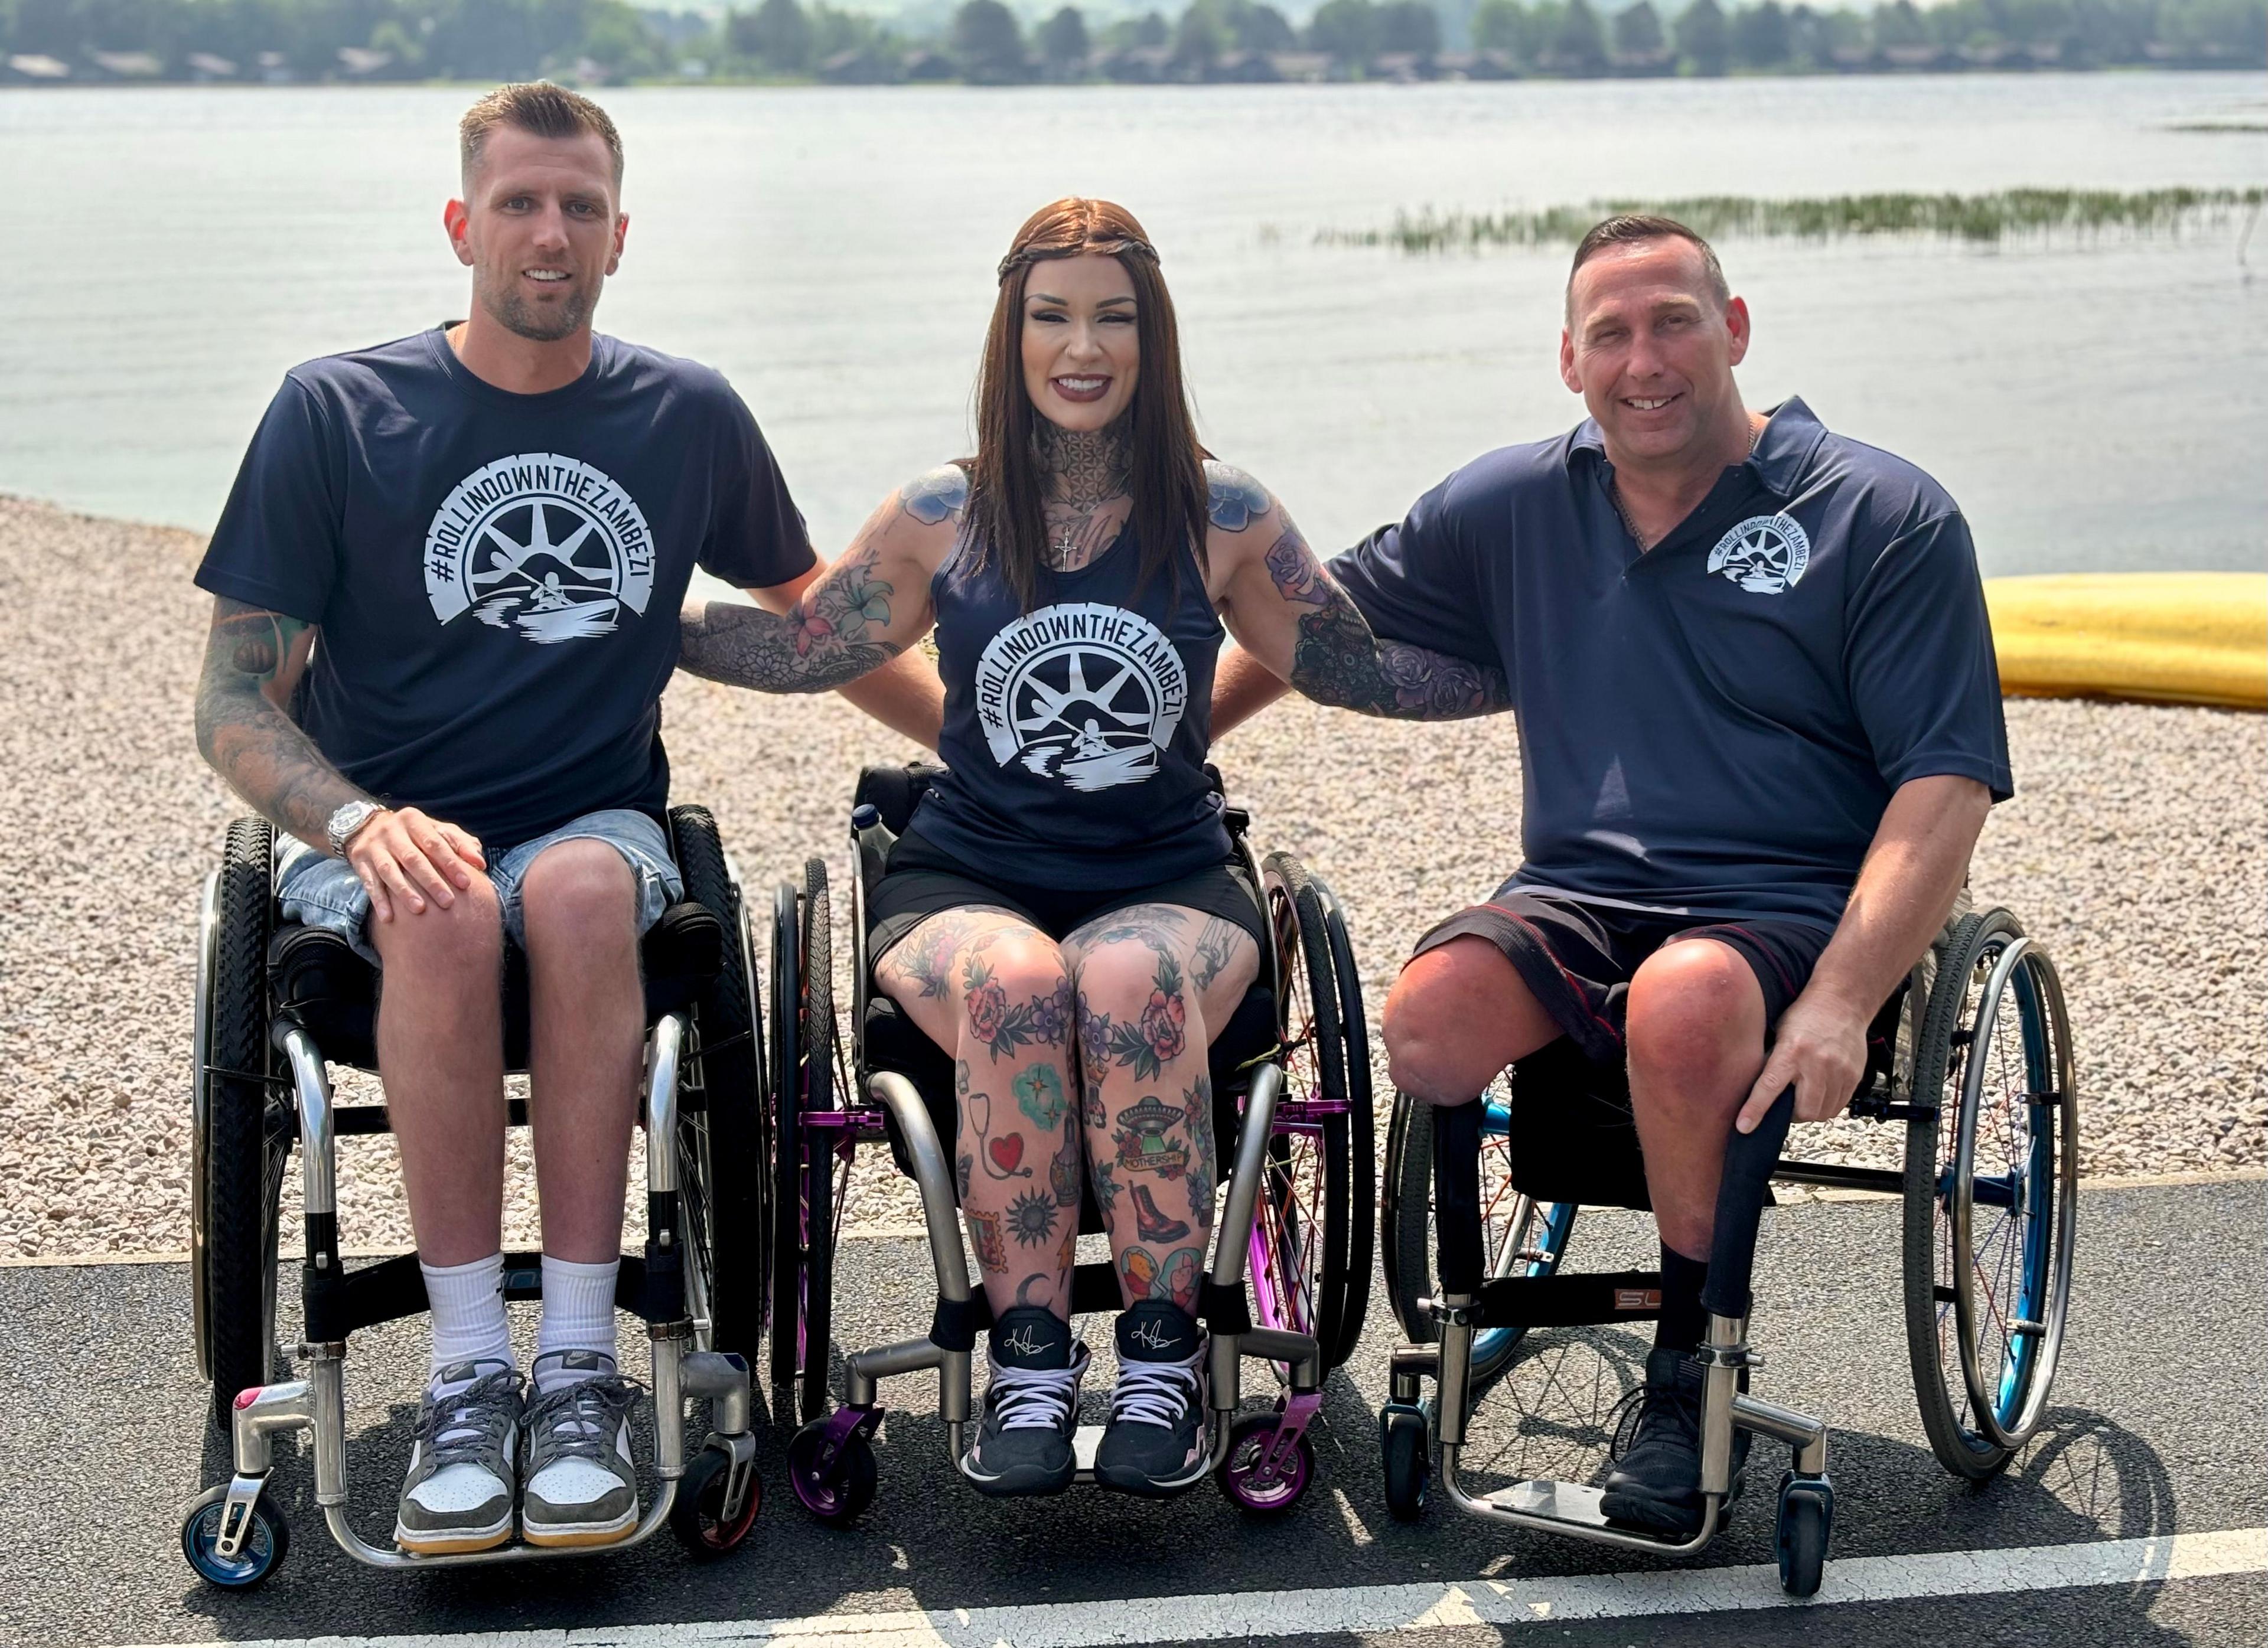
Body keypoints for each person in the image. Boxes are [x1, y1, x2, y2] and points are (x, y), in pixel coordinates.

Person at [191, 83, 941, 1555]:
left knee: (586, 890)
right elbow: (233, 701)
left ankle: (584, 1367)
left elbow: (817, 624)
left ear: (618, 237)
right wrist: (352, 823)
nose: (552, 233)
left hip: (588, 825)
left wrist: (981, 741)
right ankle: (475, 1375)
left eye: (581, 208)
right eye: (523, 205)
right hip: (381, 840)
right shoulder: (335, 411)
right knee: (448, 899)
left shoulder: (683, 413)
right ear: (463, 224)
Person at [675, 197, 1496, 1499]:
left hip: (1170, 875)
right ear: (1011, 336)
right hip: (970, 871)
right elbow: (798, 649)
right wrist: (629, 615)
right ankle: (1036, 1366)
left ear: (1152, 338)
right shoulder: (941, 510)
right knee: (1018, 985)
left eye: (1114, 318)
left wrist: (1538, 669)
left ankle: (1164, 1362)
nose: (1084, 345)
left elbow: (1351, 667)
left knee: (1121, 979)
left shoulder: (1222, 512)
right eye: (1053, 315)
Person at [1211, 214, 2010, 1536]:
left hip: (1794, 898)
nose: (1647, 361)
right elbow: (1320, 624)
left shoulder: (1883, 512)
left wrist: (1843, 998)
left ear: (1735, 327)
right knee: (1426, 1016)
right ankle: (1470, 1327)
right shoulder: (1518, 501)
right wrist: (1176, 741)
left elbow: (1947, 784)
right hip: (1580, 892)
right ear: (1570, 362)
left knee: (1688, 999)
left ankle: (1688, 1361)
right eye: (1612, 335)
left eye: (1675, 322)